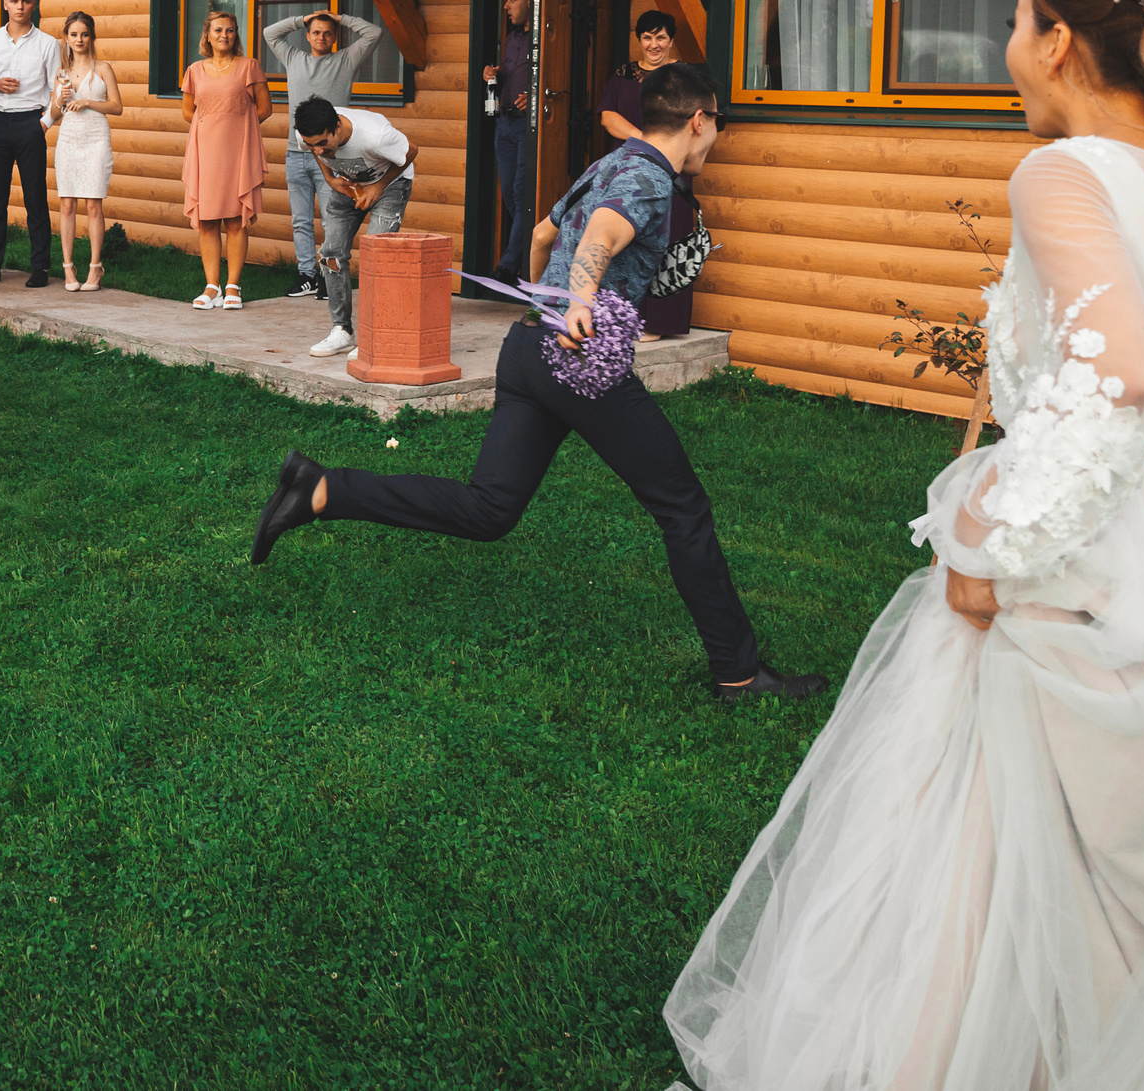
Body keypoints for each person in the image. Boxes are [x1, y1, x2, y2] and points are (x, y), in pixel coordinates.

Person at [663, 0, 1144, 1091]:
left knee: (1015, 881)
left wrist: (995, 548)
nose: (1005, 47)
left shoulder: (1066, 171)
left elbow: (1120, 372)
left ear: (1057, 42)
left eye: (1013, 21)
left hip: (1106, 570)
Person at [253, 62, 825, 707]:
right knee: (683, 507)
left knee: (490, 508)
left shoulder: (612, 161)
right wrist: (579, 303)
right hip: (575, 360)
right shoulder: (648, 179)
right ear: (700, 119)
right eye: (715, 124)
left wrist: (545, 305)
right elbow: (600, 237)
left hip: (528, 345)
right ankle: (740, 676)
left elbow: (547, 232)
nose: (714, 136)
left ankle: (324, 488)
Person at [264, 7, 384, 300]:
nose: (321, 37)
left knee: (333, 219)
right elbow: (270, 33)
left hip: (332, 156)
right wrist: (302, 19)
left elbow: (374, 32)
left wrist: (340, 18)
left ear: (334, 38)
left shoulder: (345, 59)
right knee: (301, 220)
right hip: (296, 153)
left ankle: (329, 276)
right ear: (307, 36)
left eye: (327, 33)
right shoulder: (294, 58)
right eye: (315, 32)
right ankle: (307, 275)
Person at [599, 10, 700, 341]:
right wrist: (645, 140)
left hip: (671, 169)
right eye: (647, 37)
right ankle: (623, 320)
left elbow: (693, 125)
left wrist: (664, 151)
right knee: (627, 240)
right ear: (638, 40)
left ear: (671, 41)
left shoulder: (683, 78)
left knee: (668, 240)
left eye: (660, 38)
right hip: (628, 167)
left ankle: (657, 323)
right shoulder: (623, 74)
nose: (653, 45)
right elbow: (608, 118)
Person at [292, 96, 413, 359]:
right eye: (313, 145)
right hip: (350, 184)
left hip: (391, 184)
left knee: (376, 256)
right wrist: (330, 179)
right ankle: (342, 332)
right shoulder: (307, 135)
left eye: (324, 143)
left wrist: (379, 187)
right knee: (330, 255)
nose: (319, 150)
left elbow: (410, 152)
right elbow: (316, 152)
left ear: (337, 127)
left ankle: (374, 336)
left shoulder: (375, 135)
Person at [0, 0, 60, 288]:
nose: (20, 6)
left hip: (30, 123)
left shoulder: (48, 44)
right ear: (5, 5)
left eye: (26, 1)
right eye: (14, 1)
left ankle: (40, 268)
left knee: (36, 197)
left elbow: (58, 92)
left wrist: (43, 124)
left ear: (33, 4)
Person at [180, 10, 269, 310]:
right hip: (205, 151)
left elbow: (265, 108)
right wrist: (211, 126)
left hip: (237, 152)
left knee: (234, 218)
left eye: (230, 31)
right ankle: (211, 286)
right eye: (218, 30)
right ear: (207, 35)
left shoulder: (249, 66)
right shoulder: (194, 70)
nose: (224, 36)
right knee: (206, 220)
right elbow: (188, 111)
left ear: (236, 35)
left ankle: (233, 286)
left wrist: (239, 126)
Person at [48, 9, 122, 291]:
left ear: (92, 37)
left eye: (85, 34)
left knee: (93, 203)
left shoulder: (102, 68)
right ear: (66, 37)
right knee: (67, 203)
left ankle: (95, 266)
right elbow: (56, 113)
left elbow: (117, 106)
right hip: (69, 138)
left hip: (95, 137)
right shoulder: (61, 73)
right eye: (74, 34)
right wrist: (59, 98)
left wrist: (89, 102)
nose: (79, 39)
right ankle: (68, 267)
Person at [482, 0, 532, 266]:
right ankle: (528, 246)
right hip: (504, 122)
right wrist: (492, 73)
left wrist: (535, 95)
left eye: (511, 0)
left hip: (528, 124)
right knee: (509, 194)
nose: (506, 6)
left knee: (521, 191)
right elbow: (507, 75)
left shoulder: (541, 39)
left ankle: (510, 262)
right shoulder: (512, 38)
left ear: (528, 1)